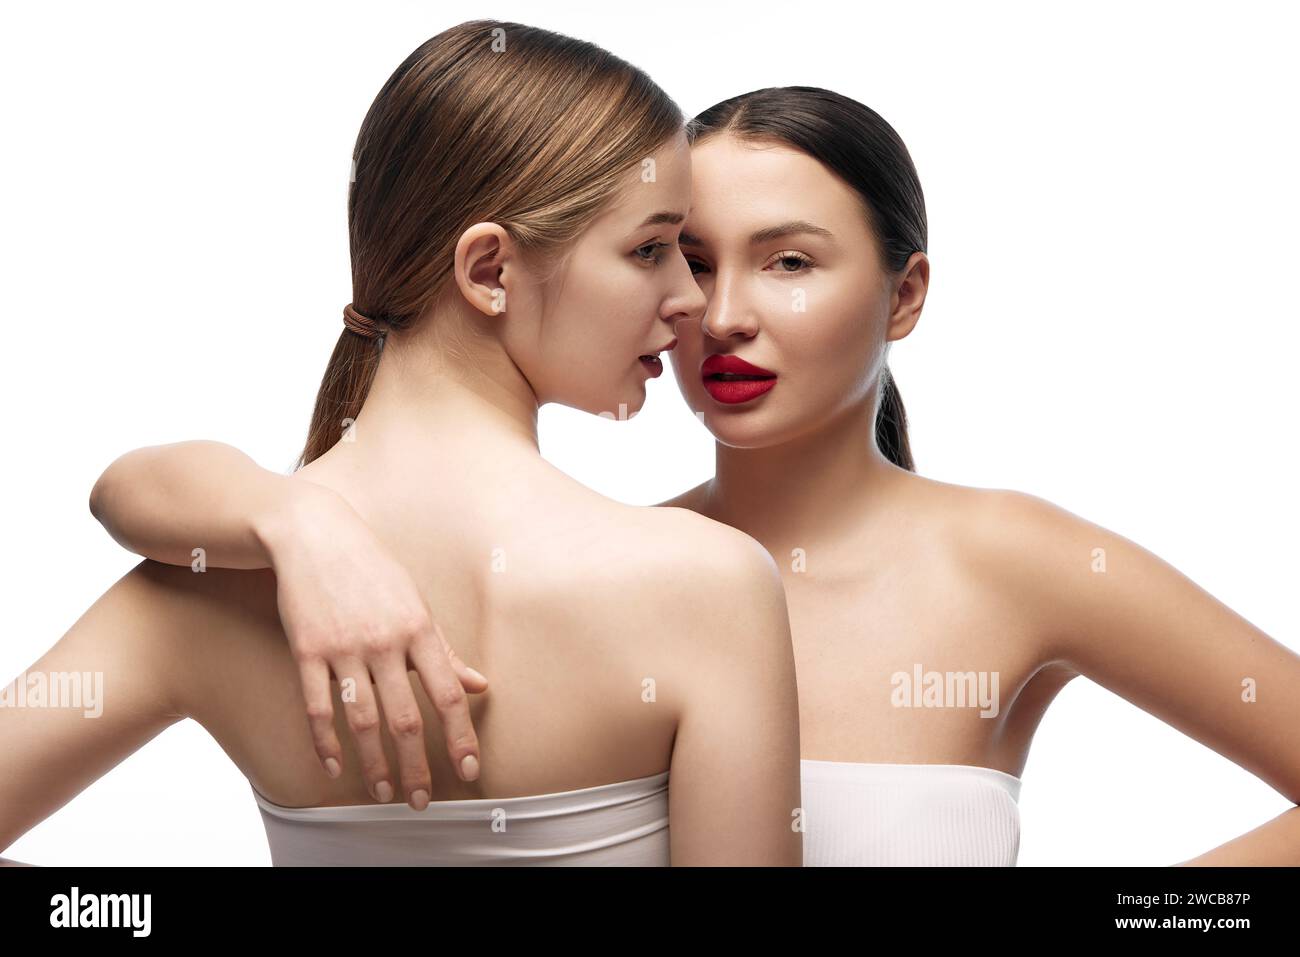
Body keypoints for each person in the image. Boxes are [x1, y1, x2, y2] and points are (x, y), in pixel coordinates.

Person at [82, 85, 1300, 865]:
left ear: (906, 294)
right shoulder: (636, 570)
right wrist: (295, 522)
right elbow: (140, 495)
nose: (715, 315)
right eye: (683, 258)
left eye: (788, 263)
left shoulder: (1012, 559)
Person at [0, 20, 803, 867]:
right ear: (488, 270)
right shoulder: (711, 588)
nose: (690, 301)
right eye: (650, 248)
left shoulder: (200, 589)